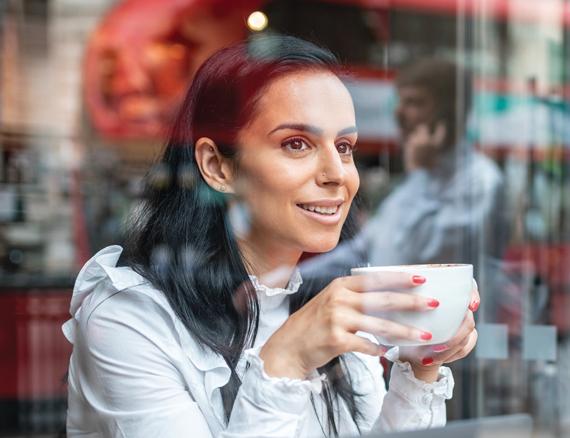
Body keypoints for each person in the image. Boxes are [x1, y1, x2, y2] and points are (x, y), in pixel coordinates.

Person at [63, 36, 479, 437]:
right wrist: (286, 359)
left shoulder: (329, 296)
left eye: (345, 146)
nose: (338, 174)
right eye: (297, 144)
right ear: (217, 167)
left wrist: (422, 366)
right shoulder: (128, 319)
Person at [301, 58, 507, 283]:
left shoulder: (480, 181)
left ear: (449, 114)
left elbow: (416, 257)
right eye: (400, 101)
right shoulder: (420, 179)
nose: (399, 113)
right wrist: (286, 281)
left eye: (414, 103)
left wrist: (419, 167)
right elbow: (363, 250)